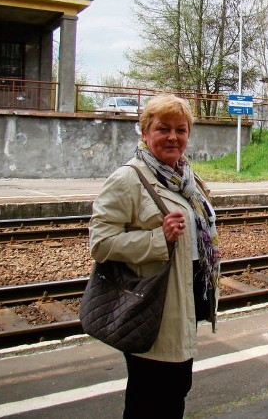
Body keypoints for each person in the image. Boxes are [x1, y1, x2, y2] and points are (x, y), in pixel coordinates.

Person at [89, 94, 220, 418]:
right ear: (145, 133)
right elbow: (101, 243)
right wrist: (156, 239)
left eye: (180, 129)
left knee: (175, 391)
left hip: (183, 300)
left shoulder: (185, 179)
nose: (173, 137)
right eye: (163, 129)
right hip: (152, 304)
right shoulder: (129, 179)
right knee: (152, 398)